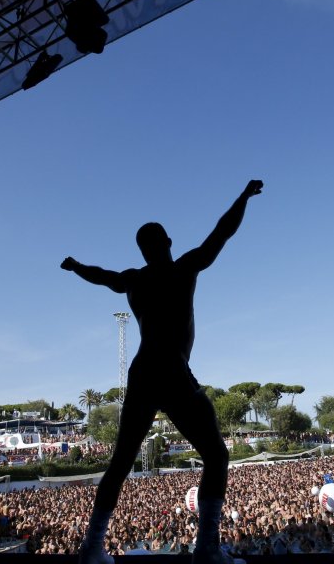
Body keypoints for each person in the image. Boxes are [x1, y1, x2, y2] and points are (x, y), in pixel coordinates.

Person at [62, 180, 263, 564]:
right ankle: (206, 549)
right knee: (217, 456)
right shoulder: (183, 268)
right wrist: (243, 197)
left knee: (120, 462)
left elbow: (101, 275)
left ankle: (92, 547)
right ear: (168, 242)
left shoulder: (134, 280)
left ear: (141, 249)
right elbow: (222, 232)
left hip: (142, 374)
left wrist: (74, 267)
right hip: (172, 370)